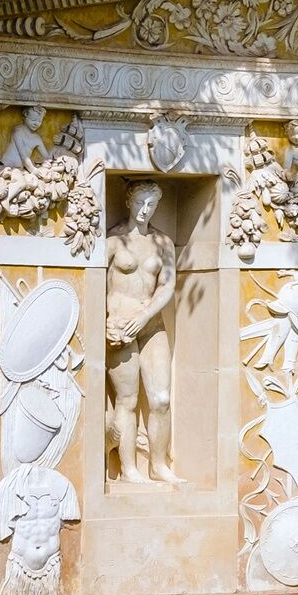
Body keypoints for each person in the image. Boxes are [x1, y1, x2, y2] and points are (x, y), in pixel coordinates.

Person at [104, 179, 181, 485]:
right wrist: (107, 320)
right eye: (140, 203)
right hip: (120, 326)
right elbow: (95, 284)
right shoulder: (113, 241)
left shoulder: (162, 243)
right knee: (127, 399)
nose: (144, 210)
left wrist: (146, 314)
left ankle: (159, 465)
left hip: (150, 324)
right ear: (128, 202)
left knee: (161, 398)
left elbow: (168, 285)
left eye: (151, 205)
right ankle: (128, 469)